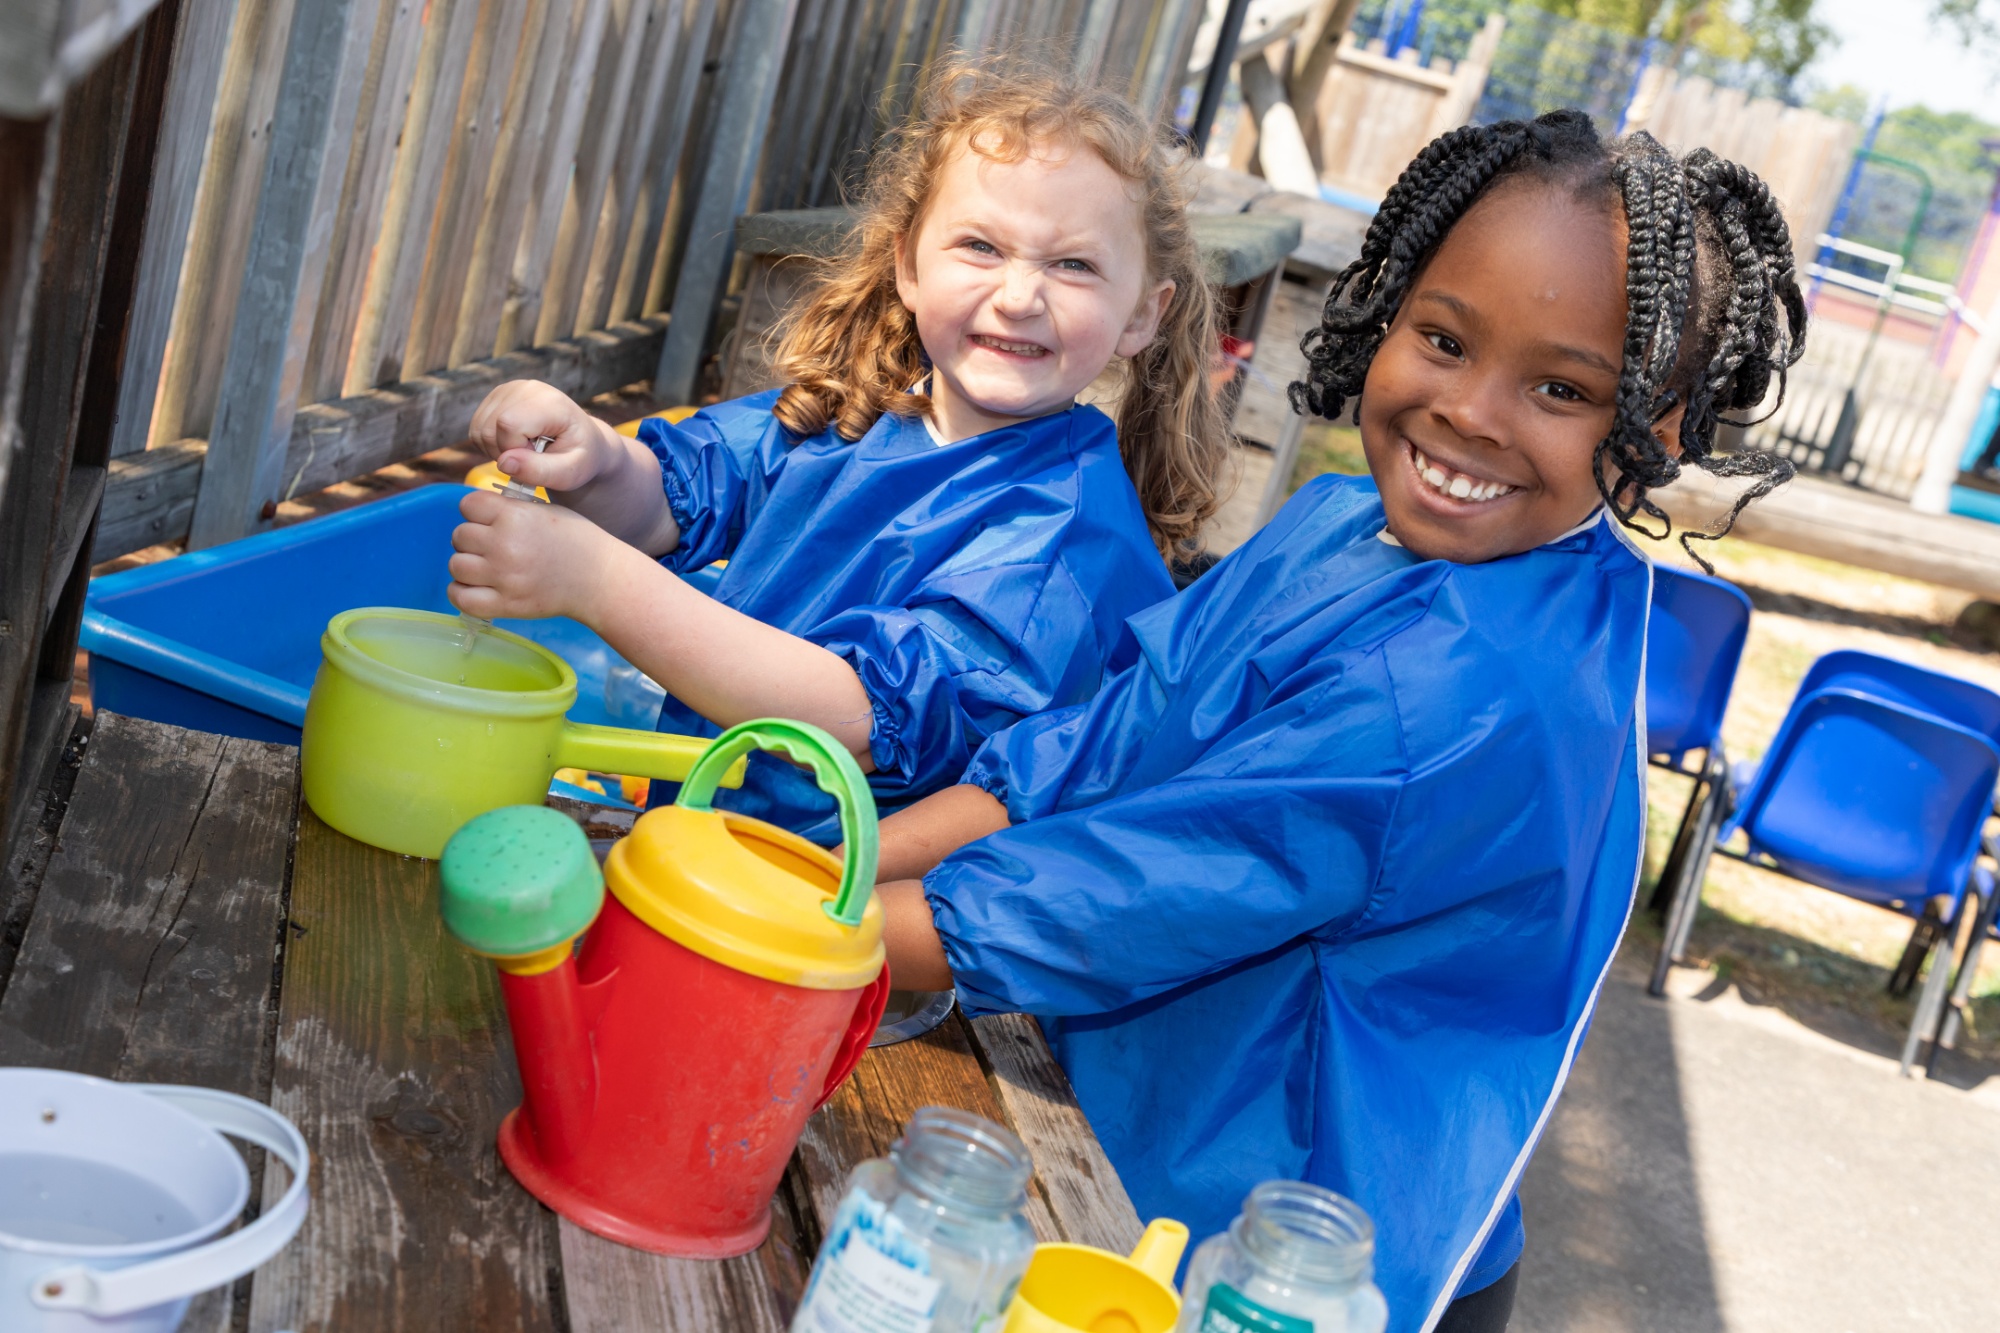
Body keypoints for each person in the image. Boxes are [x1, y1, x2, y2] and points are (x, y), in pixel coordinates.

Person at [865, 110, 1803, 1333]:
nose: (1468, 413)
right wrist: (841, 863)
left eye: (1560, 388)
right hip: (1150, 1126)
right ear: (1387, 306)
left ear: (1658, 430)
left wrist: (788, 918)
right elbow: (1100, 739)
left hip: (1281, 1255)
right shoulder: (1339, 521)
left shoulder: (1469, 701)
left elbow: (1112, 894)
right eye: (1442, 337)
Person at [446, 59, 1225, 841]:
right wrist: (592, 461)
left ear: (1140, 317)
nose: (1020, 297)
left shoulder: (1066, 544)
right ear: (908, 264)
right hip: (704, 843)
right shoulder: (852, 414)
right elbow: (667, 506)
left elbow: (850, 711)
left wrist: (592, 578)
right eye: (981, 247)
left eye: (1074, 265)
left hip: (835, 908)